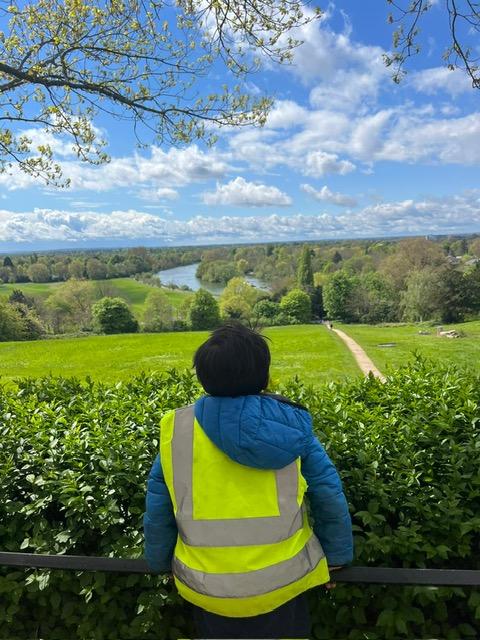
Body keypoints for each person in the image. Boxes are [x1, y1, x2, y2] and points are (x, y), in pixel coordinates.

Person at [144, 322, 353, 639]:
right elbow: (327, 493)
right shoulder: (291, 429)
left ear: (203, 377)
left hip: (207, 587)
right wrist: (336, 558)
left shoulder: (179, 431)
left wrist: (159, 563)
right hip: (284, 586)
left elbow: (159, 506)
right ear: (265, 377)